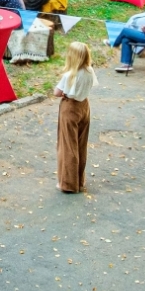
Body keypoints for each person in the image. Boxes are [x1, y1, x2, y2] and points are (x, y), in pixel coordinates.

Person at [54, 43, 95, 193]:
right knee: (81, 144)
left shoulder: (69, 75)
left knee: (68, 146)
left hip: (70, 108)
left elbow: (56, 92)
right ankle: (79, 180)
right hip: (84, 106)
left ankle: (68, 183)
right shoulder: (90, 71)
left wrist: (65, 92)